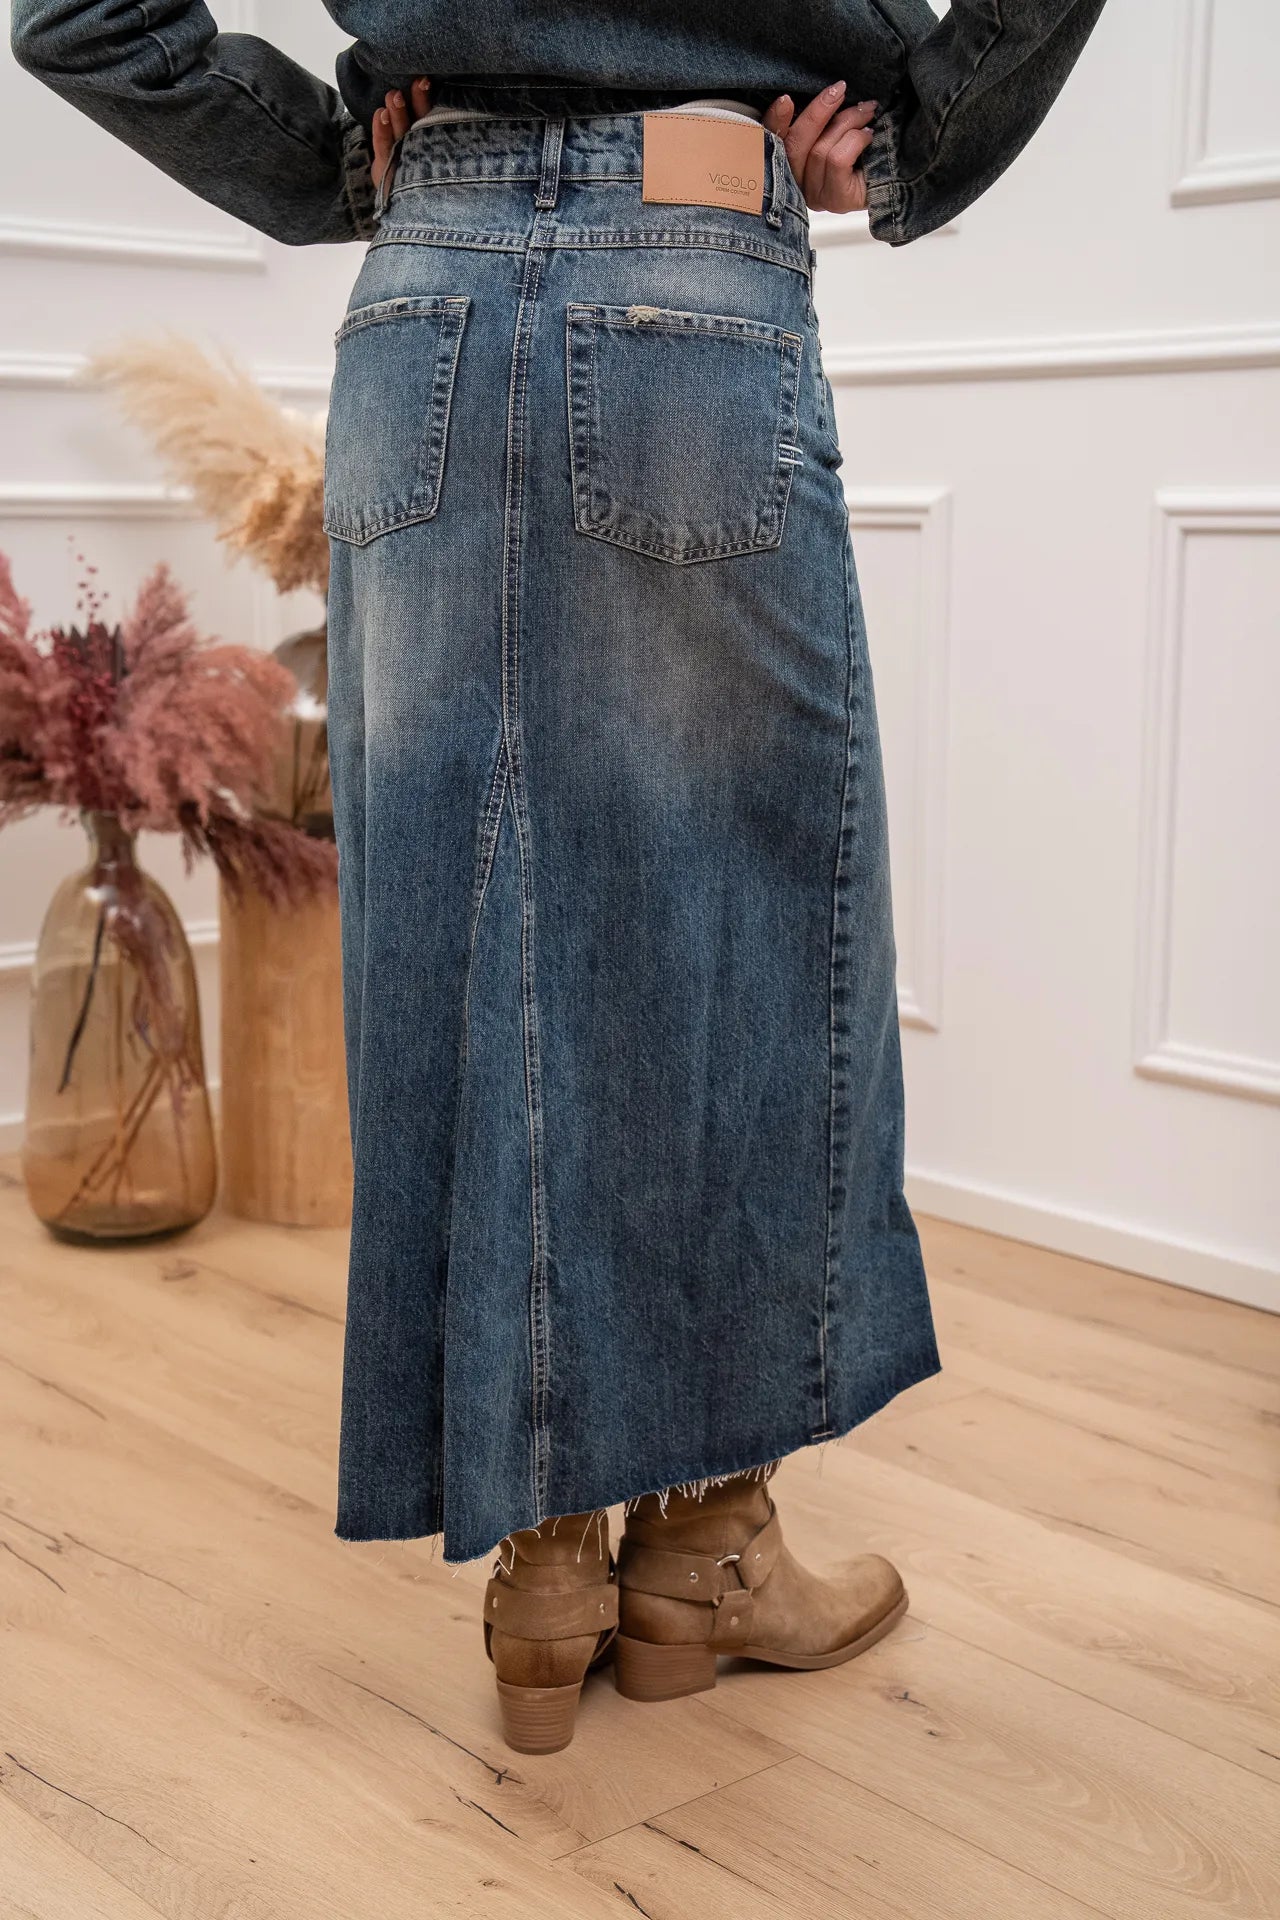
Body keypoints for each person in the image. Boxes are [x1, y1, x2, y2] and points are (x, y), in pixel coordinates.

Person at [12, 1, 1108, 1754]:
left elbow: (80, 18)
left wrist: (333, 162)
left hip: (425, 293)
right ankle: (708, 1549)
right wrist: (918, 133)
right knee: (742, 925)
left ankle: (546, 1570)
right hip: (695, 257)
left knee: (463, 929)